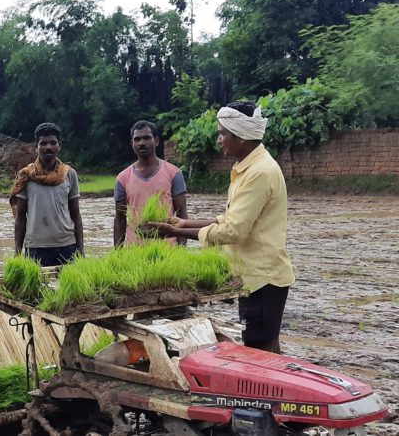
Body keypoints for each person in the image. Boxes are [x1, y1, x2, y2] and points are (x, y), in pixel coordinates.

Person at [153, 101, 295, 354]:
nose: (219, 140)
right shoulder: (249, 167)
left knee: (260, 352)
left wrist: (175, 232)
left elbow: (233, 232)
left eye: (222, 134)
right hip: (255, 277)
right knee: (265, 349)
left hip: (262, 279)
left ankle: (271, 394)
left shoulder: (259, 173)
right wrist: (185, 222)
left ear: (240, 138)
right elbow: (231, 220)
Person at [10, 122, 84, 266]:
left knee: (70, 288)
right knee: (36, 288)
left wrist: (81, 250)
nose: (48, 147)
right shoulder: (25, 176)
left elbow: (76, 215)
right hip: (36, 247)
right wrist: (17, 253)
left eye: (52, 142)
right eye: (43, 143)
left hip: (67, 245)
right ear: (36, 147)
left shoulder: (69, 174)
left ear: (59, 146)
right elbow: (20, 218)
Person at [114, 120, 188, 247]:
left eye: (147, 138)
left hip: (168, 250)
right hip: (135, 251)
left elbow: (182, 213)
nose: (141, 143)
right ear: (132, 144)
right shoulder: (122, 178)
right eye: (137, 139)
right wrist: (117, 254)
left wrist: (181, 248)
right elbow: (120, 218)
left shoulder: (173, 173)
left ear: (157, 141)